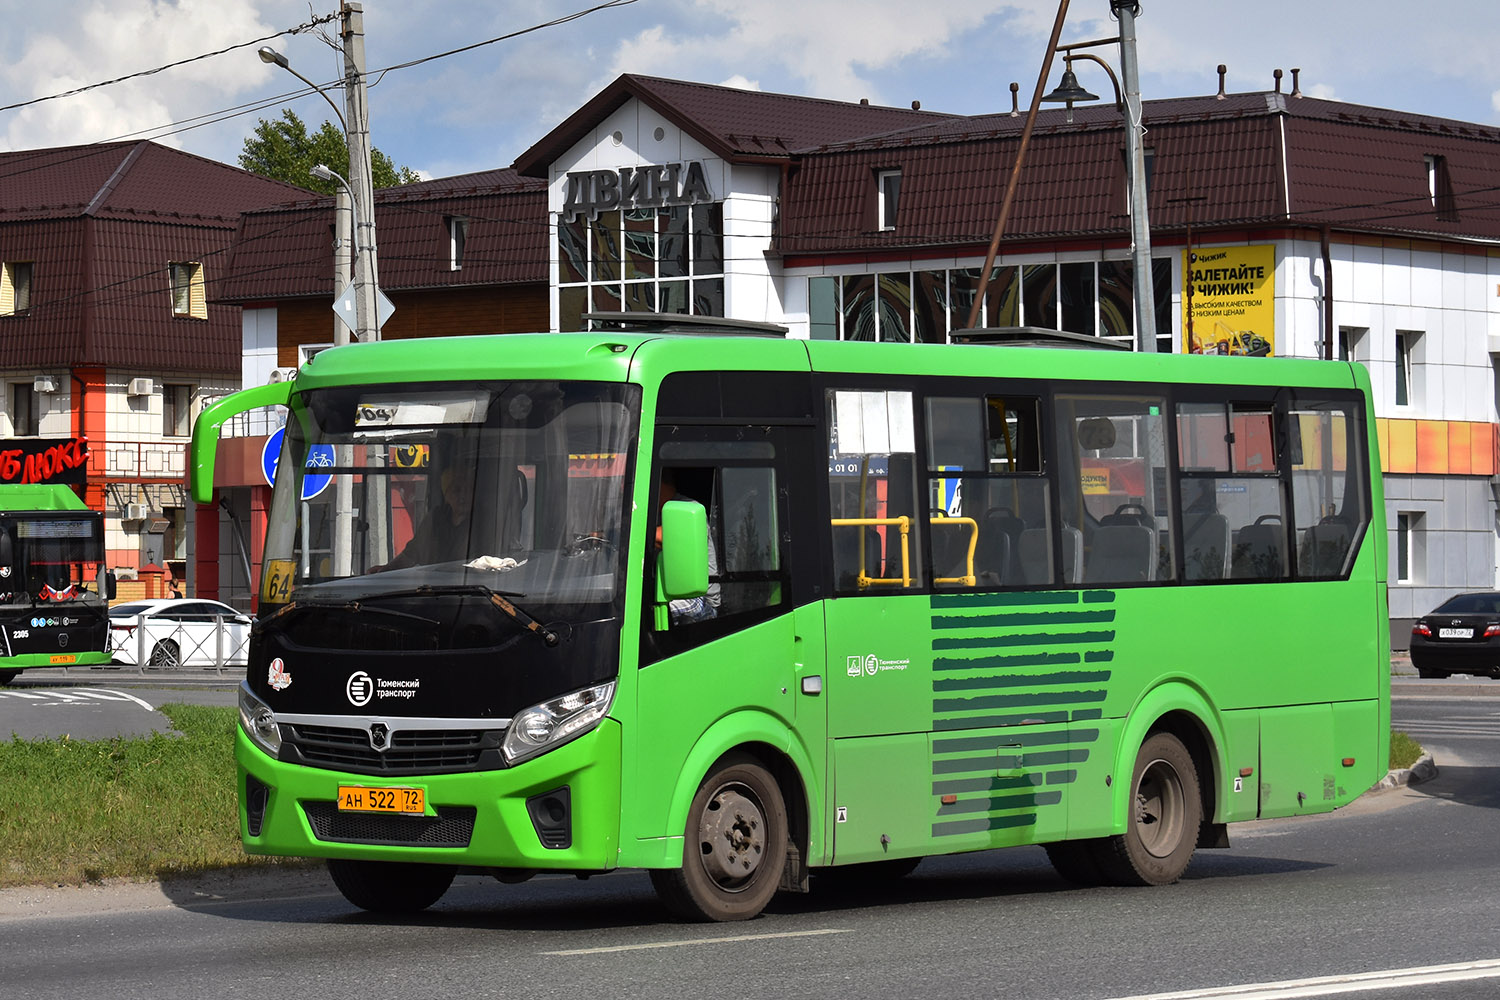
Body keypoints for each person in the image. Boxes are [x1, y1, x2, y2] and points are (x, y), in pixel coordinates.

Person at [378, 465, 475, 571]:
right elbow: (411, 553)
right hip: (433, 583)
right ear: (446, 495)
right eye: (456, 490)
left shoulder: (482, 522)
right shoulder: (435, 518)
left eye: (468, 490)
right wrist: (386, 570)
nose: (463, 495)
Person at [657, 470, 720, 625]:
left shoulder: (688, 508)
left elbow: (662, 537)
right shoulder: (655, 513)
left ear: (660, 484)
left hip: (701, 599)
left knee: (646, 610)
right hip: (670, 592)